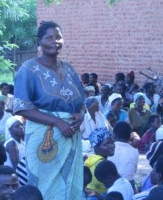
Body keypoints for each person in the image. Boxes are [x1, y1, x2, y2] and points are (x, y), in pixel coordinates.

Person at [13, 21, 85, 199]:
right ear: (39, 41)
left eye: (58, 37)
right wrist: (58, 122)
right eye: (49, 37)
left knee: (70, 184)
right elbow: (22, 108)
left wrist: (81, 115)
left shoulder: (68, 68)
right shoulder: (29, 69)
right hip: (44, 138)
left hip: (71, 136)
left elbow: (81, 102)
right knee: (46, 186)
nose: (55, 41)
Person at [84, 128, 115, 198]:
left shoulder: (90, 159)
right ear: (96, 148)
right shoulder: (104, 165)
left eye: (112, 142)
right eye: (107, 144)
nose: (112, 146)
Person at [108, 122, 139, 191]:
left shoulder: (110, 149)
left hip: (113, 184)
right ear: (129, 136)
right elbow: (134, 171)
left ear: (115, 135)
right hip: (130, 185)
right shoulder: (135, 151)